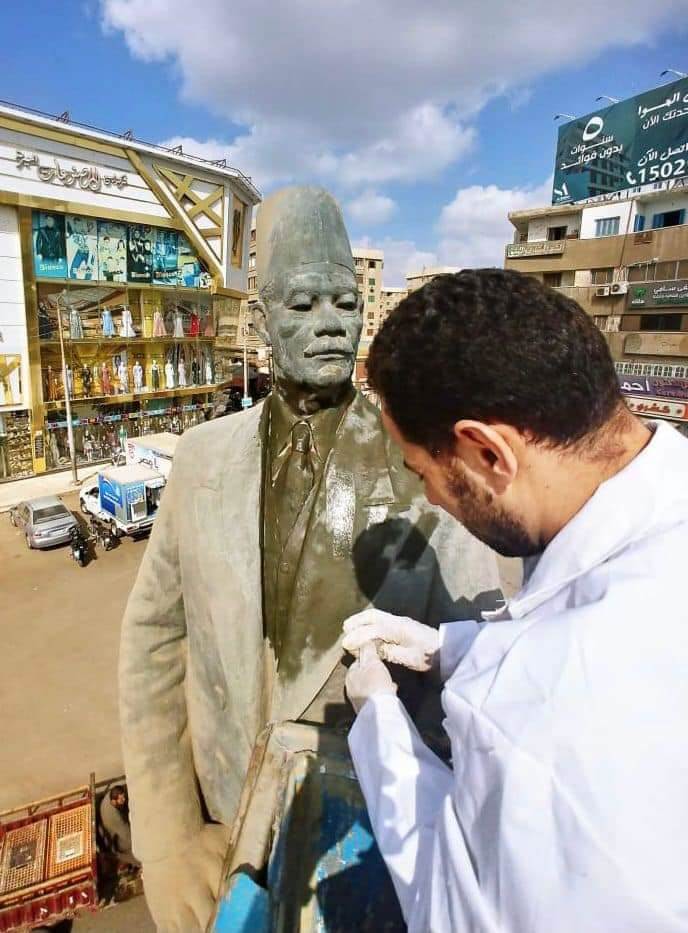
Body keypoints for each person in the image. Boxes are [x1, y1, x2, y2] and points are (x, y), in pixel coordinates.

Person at [119, 188, 500, 933]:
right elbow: (153, 641)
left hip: (368, 852)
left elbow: (478, 672)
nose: (329, 322)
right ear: (262, 320)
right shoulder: (200, 459)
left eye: (344, 303)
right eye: (301, 304)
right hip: (218, 843)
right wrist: (166, 840)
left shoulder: (426, 466)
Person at [342, 268, 688, 933]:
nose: (428, 497)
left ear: (487, 451)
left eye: (422, 471)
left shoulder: (540, 720)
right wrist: (453, 648)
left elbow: (451, 907)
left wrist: (380, 723)